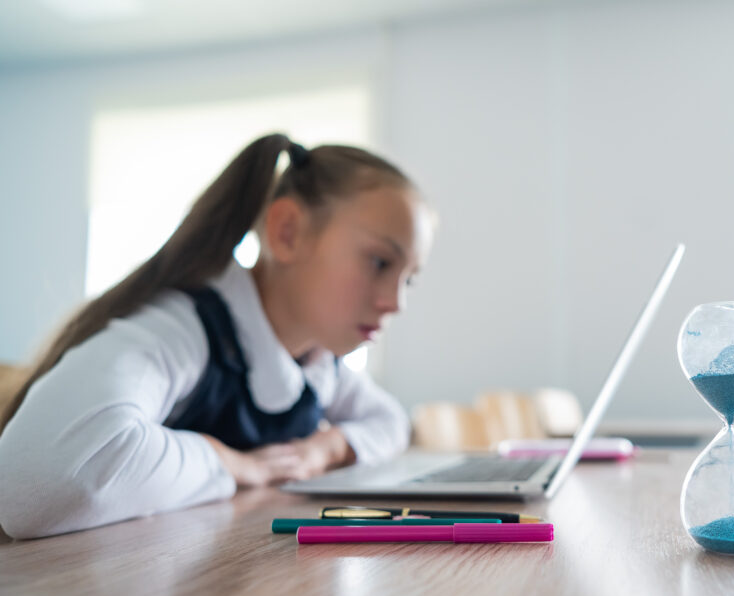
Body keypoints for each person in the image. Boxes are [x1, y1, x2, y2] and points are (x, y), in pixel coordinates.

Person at [0, 133, 433, 539]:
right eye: (379, 263)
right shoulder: (182, 328)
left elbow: (390, 421)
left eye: (409, 279)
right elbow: (37, 479)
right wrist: (229, 463)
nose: (396, 303)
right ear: (287, 232)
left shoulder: (318, 359)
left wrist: (328, 447)